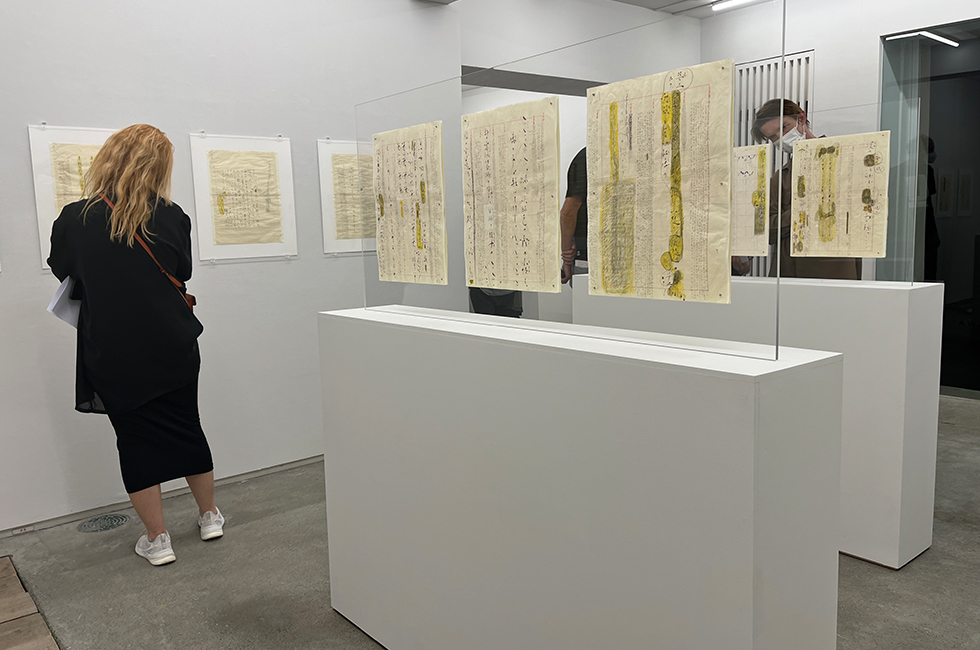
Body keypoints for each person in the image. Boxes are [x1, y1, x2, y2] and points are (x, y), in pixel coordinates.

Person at [48, 124, 224, 567]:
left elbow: (62, 267)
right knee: (188, 426)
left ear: (109, 157)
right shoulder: (172, 215)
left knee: (134, 440)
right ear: (159, 166)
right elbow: (182, 270)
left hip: (113, 349)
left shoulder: (75, 218)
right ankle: (209, 517)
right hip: (172, 341)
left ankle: (158, 539)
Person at [751, 99, 862, 280]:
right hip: (787, 275)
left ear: (801, 119)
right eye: (772, 137)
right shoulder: (781, 177)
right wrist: (806, 210)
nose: (780, 138)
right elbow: (765, 230)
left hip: (834, 274)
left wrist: (791, 216)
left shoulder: (845, 161)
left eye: (784, 128)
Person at [560, 147, 588, 284]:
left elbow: (569, 212)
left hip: (588, 251)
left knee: (585, 294)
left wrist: (567, 257)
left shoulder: (586, 156)